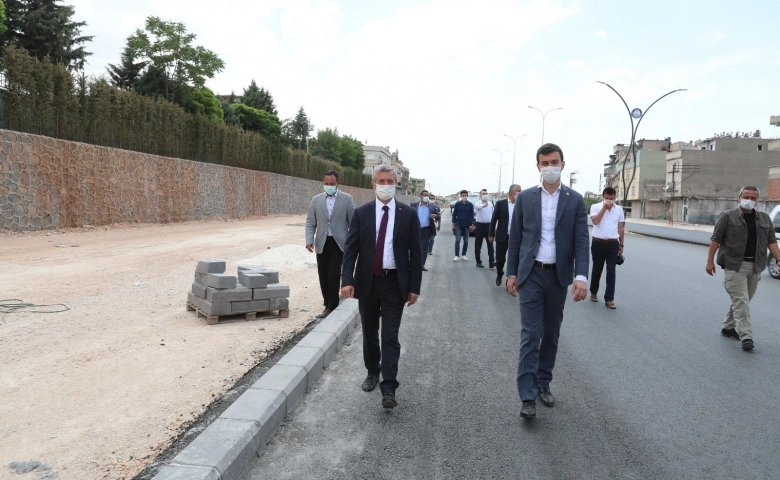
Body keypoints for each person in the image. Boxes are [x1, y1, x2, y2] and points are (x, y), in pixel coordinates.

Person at [506, 143, 589, 419]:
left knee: (551, 333)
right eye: (545, 163)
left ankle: (543, 383)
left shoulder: (575, 200)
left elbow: (581, 240)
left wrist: (580, 277)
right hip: (531, 274)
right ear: (538, 166)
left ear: (563, 164)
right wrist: (512, 273)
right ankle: (527, 396)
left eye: (554, 162)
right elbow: (515, 238)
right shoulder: (526, 198)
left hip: (558, 276)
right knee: (531, 334)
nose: (550, 167)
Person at [341, 164, 423, 409]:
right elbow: (351, 249)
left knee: (390, 335)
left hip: (394, 283)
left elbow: (416, 255)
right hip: (368, 282)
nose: (386, 185)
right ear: (373, 184)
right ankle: (372, 371)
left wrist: (414, 286)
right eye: (382, 181)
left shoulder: (407, 214)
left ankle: (389, 386)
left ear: (396, 184)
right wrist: (347, 280)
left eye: (390, 181)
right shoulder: (362, 213)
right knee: (369, 332)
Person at [706, 186, 780, 351]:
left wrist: (779, 258)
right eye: (746, 197)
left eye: (753, 198)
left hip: (755, 266)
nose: (749, 200)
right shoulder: (727, 216)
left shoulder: (764, 218)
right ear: (739, 197)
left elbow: (771, 241)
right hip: (734, 266)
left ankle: (727, 327)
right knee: (742, 301)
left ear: (757, 200)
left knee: (743, 300)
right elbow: (715, 239)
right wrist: (710, 261)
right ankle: (746, 337)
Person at [305, 170, 355, 319]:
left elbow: (353, 223)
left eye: (332, 184)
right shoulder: (316, 200)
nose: (329, 186)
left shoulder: (347, 199)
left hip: (340, 243)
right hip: (322, 241)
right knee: (323, 274)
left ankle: (331, 306)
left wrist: (353, 243)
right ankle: (327, 302)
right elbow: (310, 221)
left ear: (338, 183)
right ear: (323, 183)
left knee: (334, 274)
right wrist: (309, 239)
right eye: (326, 184)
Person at [589, 186, 625, 309]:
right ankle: (593, 292)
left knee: (611, 271)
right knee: (597, 269)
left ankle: (609, 299)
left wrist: (621, 244)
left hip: (612, 244)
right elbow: (595, 221)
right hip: (598, 243)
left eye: (611, 199)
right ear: (602, 197)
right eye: (606, 198)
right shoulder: (595, 207)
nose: (609, 201)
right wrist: (604, 208)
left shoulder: (619, 210)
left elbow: (620, 228)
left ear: (615, 198)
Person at [490, 184, 521, 286]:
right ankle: (500, 273)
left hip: (516, 238)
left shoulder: (521, 204)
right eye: (519, 191)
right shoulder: (501, 204)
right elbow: (494, 219)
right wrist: (491, 234)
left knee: (515, 259)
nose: (520, 192)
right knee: (500, 259)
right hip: (502, 235)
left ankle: (510, 279)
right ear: (512, 192)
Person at [410, 190, 439, 271]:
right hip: (415, 229)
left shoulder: (432, 207)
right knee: (413, 247)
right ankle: (412, 264)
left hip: (426, 230)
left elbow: (438, 216)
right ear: (421, 196)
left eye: (427, 195)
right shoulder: (413, 205)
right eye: (425, 195)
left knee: (424, 248)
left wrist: (435, 216)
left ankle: (421, 264)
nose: (426, 197)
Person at [474, 188, 495, 268]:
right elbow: (477, 207)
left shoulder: (490, 204)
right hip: (480, 225)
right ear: (480, 195)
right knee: (478, 244)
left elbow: (493, 215)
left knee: (490, 244)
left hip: (489, 226)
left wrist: (494, 226)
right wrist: (483, 205)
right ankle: (478, 261)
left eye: (486, 193)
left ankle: (491, 261)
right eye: (483, 193)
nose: (485, 195)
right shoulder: (477, 203)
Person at [451, 190, 475, 262]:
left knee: (466, 240)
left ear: (467, 196)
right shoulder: (457, 204)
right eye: (463, 195)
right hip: (458, 224)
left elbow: (472, 215)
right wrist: (453, 224)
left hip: (467, 225)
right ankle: (456, 255)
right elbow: (454, 214)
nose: (464, 196)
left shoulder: (470, 205)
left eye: (465, 195)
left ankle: (464, 254)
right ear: (461, 196)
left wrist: (473, 225)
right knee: (457, 240)